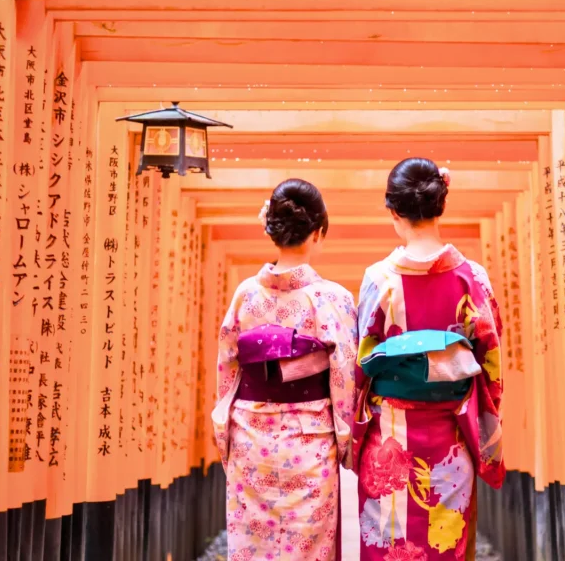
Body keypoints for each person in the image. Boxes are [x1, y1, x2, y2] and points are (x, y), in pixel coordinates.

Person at [353, 158, 505, 561]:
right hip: (449, 441)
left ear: (393, 212)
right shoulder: (472, 278)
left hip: (389, 440)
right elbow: (491, 368)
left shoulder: (378, 280)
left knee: (389, 547)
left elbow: (360, 365)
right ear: (442, 203)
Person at [212, 179, 358, 561]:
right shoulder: (333, 299)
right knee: (308, 546)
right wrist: (347, 444)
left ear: (270, 229)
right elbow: (343, 376)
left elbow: (228, 366)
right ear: (319, 232)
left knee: (252, 546)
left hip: (249, 437)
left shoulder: (245, 294)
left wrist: (225, 431)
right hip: (309, 440)